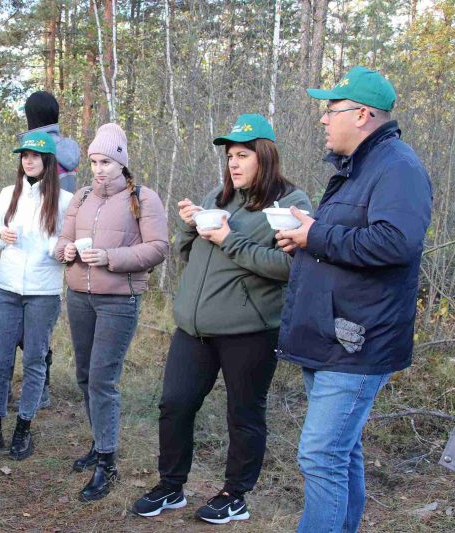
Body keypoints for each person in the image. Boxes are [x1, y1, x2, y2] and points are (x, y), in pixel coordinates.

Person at [130, 114, 312, 523]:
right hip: (193, 328)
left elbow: (289, 268)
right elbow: (187, 253)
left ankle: (234, 494)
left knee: (243, 413)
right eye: (230, 155)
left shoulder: (292, 204)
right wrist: (192, 224)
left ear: (264, 157)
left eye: (243, 155)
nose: (233, 163)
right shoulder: (219, 195)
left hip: (249, 331)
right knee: (175, 404)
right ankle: (171, 486)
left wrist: (230, 239)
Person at [275, 66, 432, 532]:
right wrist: (305, 233)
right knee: (341, 453)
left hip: (358, 341)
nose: (324, 119)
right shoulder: (357, 169)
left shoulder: (398, 167)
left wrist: (316, 235)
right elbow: (348, 237)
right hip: (330, 334)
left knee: (320, 455)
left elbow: (396, 243)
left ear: (362, 115)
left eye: (331, 109)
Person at [54, 123, 169, 501]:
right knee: (85, 376)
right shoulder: (83, 195)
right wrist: (65, 251)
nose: (99, 168)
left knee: (103, 379)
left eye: (106, 161)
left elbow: (157, 248)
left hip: (119, 300)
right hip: (79, 297)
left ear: (121, 161)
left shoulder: (143, 198)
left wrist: (109, 258)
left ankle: (107, 461)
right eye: (93, 161)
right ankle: (99, 441)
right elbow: (64, 238)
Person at [0, 90, 80, 410]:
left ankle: (33, 391)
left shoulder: (51, 158)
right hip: (18, 266)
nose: (29, 159)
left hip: (43, 262)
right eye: (25, 156)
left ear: (32, 116)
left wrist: (55, 245)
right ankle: (12, 389)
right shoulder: (62, 151)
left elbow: (62, 217)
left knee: (34, 339)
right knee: (20, 336)